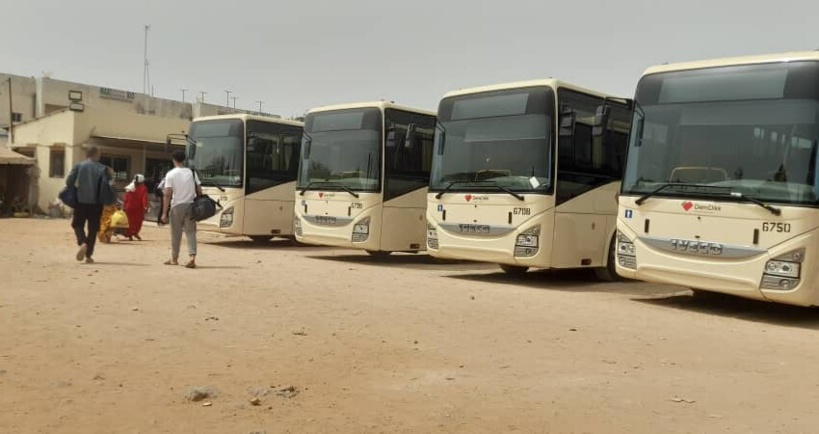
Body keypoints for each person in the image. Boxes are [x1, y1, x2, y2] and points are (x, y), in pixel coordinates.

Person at [65, 146, 109, 263]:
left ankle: (82, 242)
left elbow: (69, 181)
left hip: (80, 201)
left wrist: (76, 190)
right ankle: (88, 255)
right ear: (95, 154)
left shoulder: (79, 166)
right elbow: (107, 186)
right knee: (93, 229)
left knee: (77, 224)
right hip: (96, 204)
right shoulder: (102, 168)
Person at [160, 150, 201, 268]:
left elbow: (167, 194)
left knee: (175, 233)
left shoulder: (171, 174)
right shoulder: (192, 173)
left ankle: (174, 258)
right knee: (191, 232)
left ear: (174, 160)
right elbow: (199, 190)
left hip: (177, 206)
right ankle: (192, 257)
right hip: (191, 205)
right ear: (184, 160)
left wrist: (164, 213)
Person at [123, 174, 149, 240]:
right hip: (138, 208)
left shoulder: (130, 187)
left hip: (128, 207)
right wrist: (145, 207)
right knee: (137, 222)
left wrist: (124, 206)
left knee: (129, 221)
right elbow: (144, 198)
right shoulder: (143, 188)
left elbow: (126, 198)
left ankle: (129, 234)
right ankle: (134, 232)